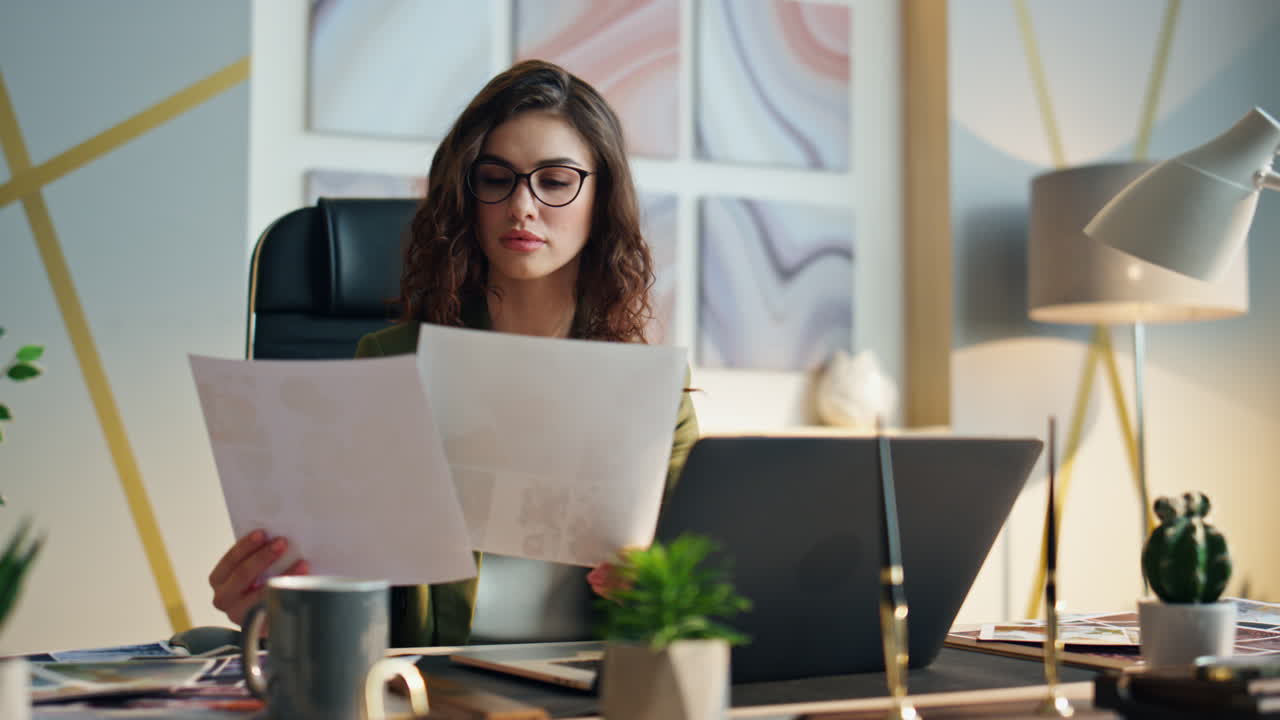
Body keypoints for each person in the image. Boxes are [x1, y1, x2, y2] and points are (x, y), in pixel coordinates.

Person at [208, 59, 699, 646]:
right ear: (468, 195)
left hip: (590, 692)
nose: (523, 206)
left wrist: (658, 587)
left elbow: (705, 595)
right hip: (437, 689)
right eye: (497, 178)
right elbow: (347, 577)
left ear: (602, 196)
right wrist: (273, 601)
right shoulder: (393, 364)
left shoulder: (650, 390)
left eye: (556, 180)